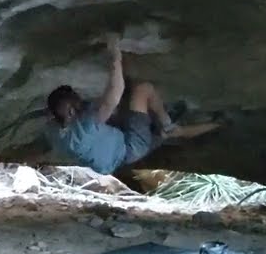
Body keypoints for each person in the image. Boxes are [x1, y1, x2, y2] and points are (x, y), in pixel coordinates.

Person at [44, 34, 214, 174]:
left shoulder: (56, 132)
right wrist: (115, 56)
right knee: (143, 90)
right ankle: (167, 123)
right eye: (76, 99)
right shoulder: (85, 127)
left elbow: (53, 122)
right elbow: (114, 94)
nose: (80, 99)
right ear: (70, 112)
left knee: (158, 128)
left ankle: (213, 125)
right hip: (131, 145)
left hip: (120, 151)